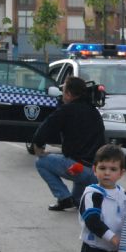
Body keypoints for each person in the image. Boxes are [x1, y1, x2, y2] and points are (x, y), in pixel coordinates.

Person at [32, 76, 105, 211]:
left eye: (64, 90)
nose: (62, 94)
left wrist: (38, 147)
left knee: (40, 162)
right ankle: (74, 199)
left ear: (69, 94)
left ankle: (64, 198)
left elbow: (44, 130)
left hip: (78, 169)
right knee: (78, 201)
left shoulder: (67, 110)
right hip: (96, 173)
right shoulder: (94, 111)